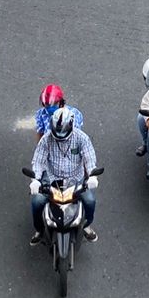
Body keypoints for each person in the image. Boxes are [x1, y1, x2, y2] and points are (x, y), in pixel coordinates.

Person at [29, 104, 99, 245]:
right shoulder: (46, 139)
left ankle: (86, 225)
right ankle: (39, 230)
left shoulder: (82, 138)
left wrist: (92, 176)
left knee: (90, 201)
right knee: (37, 202)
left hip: (76, 179)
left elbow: (90, 159)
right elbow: (38, 161)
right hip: (51, 177)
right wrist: (35, 179)